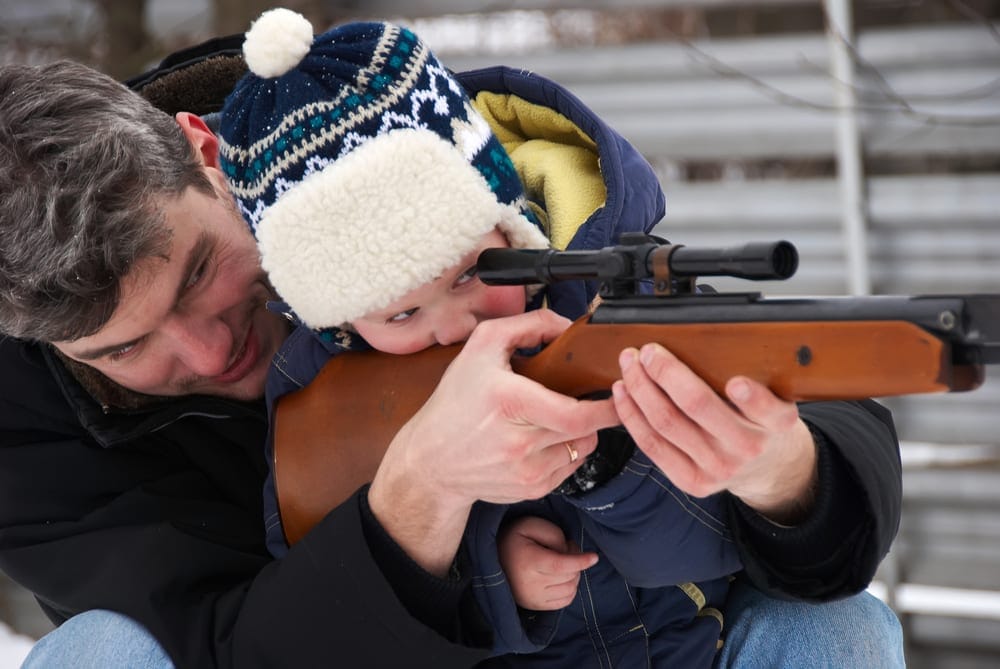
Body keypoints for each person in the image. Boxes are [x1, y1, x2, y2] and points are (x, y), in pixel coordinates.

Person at [0, 16, 904, 669]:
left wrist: (788, 477)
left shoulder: (395, 155)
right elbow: (227, 645)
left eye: (199, 271)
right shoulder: (27, 428)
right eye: (125, 350)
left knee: (835, 623)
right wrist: (420, 499)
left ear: (205, 152)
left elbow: (786, 387)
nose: (204, 354)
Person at [218, 11, 742, 664]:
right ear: (341, 322)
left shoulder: (615, 297)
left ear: (510, 223)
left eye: (472, 271)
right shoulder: (320, 394)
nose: (456, 324)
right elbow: (340, 593)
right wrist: (498, 579)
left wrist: (611, 466)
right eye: (402, 315)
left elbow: (720, 544)